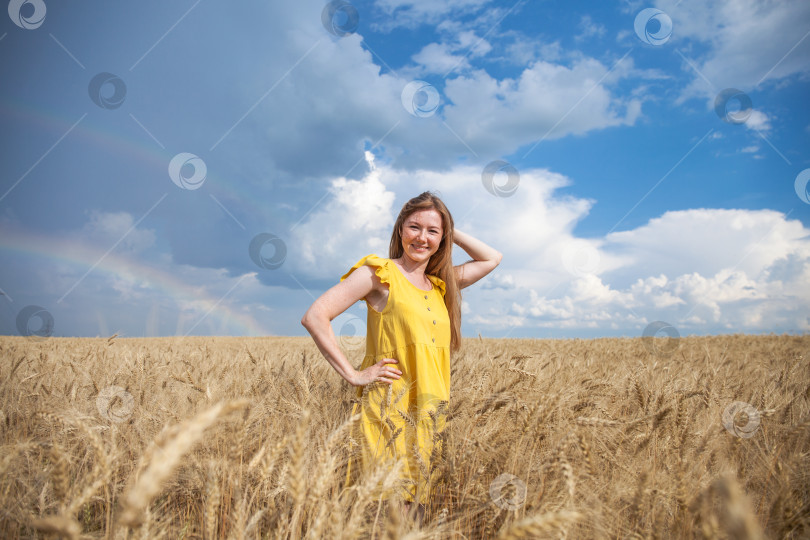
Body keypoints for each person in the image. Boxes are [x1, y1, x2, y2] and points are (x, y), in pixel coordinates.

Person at [300, 191, 501, 521]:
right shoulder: (378, 274)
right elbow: (315, 315)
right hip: (388, 411)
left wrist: (449, 228)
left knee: (416, 513)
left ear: (443, 237)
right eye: (414, 227)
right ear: (399, 230)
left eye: (432, 231)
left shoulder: (441, 285)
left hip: (430, 413)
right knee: (385, 511)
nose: (422, 237)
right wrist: (354, 374)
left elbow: (491, 258)